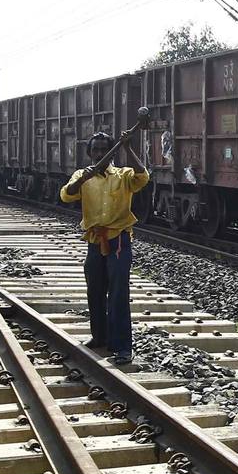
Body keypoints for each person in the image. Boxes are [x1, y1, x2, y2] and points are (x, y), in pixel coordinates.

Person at [60, 130, 149, 364]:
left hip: (118, 240)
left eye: (103, 149)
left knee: (118, 293)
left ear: (111, 153)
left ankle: (122, 347)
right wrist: (82, 180)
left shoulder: (122, 175)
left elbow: (143, 177)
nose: (99, 153)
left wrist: (128, 147)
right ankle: (99, 337)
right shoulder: (82, 175)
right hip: (94, 241)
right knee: (95, 290)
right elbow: (66, 195)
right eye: (95, 150)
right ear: (89, 153)